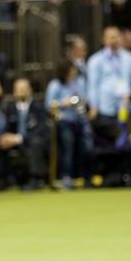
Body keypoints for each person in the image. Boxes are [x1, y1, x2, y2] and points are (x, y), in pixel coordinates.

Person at [87, 26, 131, 144]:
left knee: (128, 140)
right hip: (105, 109)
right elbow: (93, 86)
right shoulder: (95, 60)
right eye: (111, 37)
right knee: (110, 141)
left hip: (126, 106)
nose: (114, 40)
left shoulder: (130, 58)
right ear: (104, 40)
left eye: (117, 36)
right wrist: (94, 107)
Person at [0, 78, 49, 191]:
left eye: (24, 89)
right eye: (18, 89)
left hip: (30, 140)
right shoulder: (10, 108)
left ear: (30, 90)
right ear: (14, 92)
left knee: (36, 142)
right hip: (14, 142)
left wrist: (19, 138)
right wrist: (5, 137)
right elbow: (6, 127)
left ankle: (35, 179)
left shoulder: (38, 107)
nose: (21, 91)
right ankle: (2, 180)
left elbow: (42, 130)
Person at [45, 60, 92, 190]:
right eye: (71, 70)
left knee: (86, 147)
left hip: (80, 120)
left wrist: (80, 103)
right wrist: (62, 103)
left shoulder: (80, 82)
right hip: (65, 121)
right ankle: (66, 177)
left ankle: (84, 176)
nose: (73, 72)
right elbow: (49, 105)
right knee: (67, 149)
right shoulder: (55, 85)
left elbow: (85, 98)